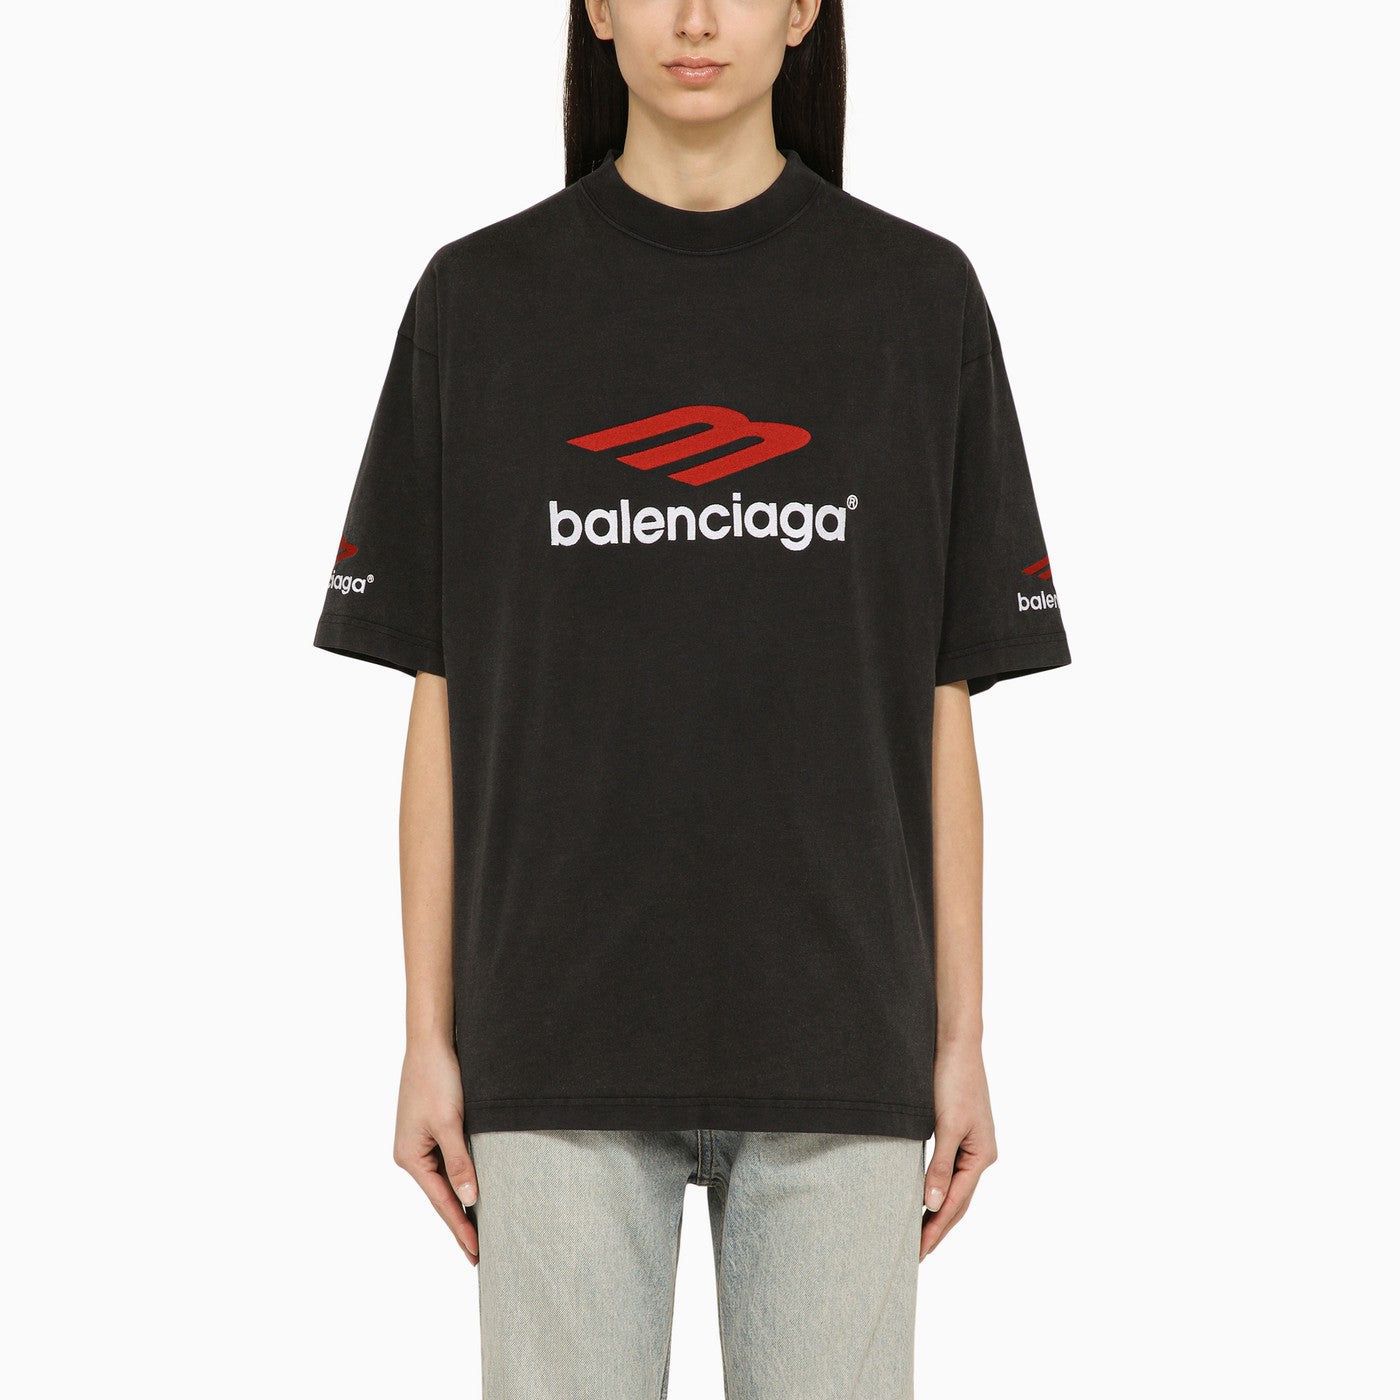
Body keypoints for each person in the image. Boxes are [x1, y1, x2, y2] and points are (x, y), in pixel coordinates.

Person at [314, 2, 1070, 1394]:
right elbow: (439, 696)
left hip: (843, 1041)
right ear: (597, 10)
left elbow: (942, 701)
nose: (698, 18)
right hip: (550, 1046)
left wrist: (963, 1039)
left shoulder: (916, 301)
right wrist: (425, 1036)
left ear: (804, 11)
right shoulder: (480, 302)